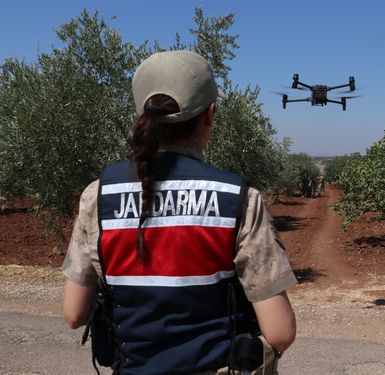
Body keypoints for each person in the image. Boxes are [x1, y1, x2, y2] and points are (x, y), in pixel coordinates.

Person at [62, 50, 297, 374]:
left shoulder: (97, 196)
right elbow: (280, 333)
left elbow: (74, 314)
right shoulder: (239, 199)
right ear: (210, 114)